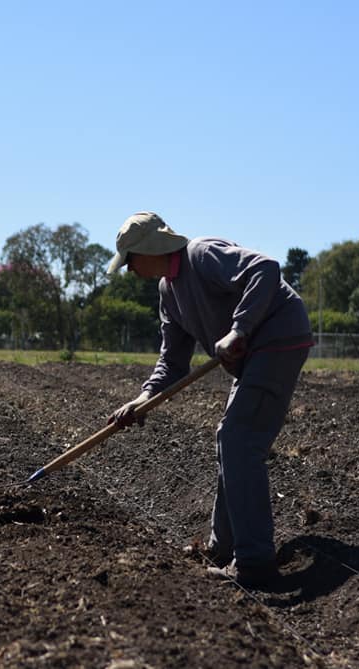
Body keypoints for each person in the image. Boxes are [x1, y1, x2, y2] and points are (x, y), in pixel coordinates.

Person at [106, 211, 313, 588]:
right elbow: (172, 361)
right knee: (229, 440)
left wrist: (239, 329)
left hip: (278, 336)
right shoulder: (168, 291)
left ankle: (254, 563)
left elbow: (266, 268)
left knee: (238, 440)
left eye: (130, 261)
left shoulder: (201, 255)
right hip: (252, 355)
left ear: (148, 250)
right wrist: (143, 398)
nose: (129, 271)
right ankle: (223, 547)